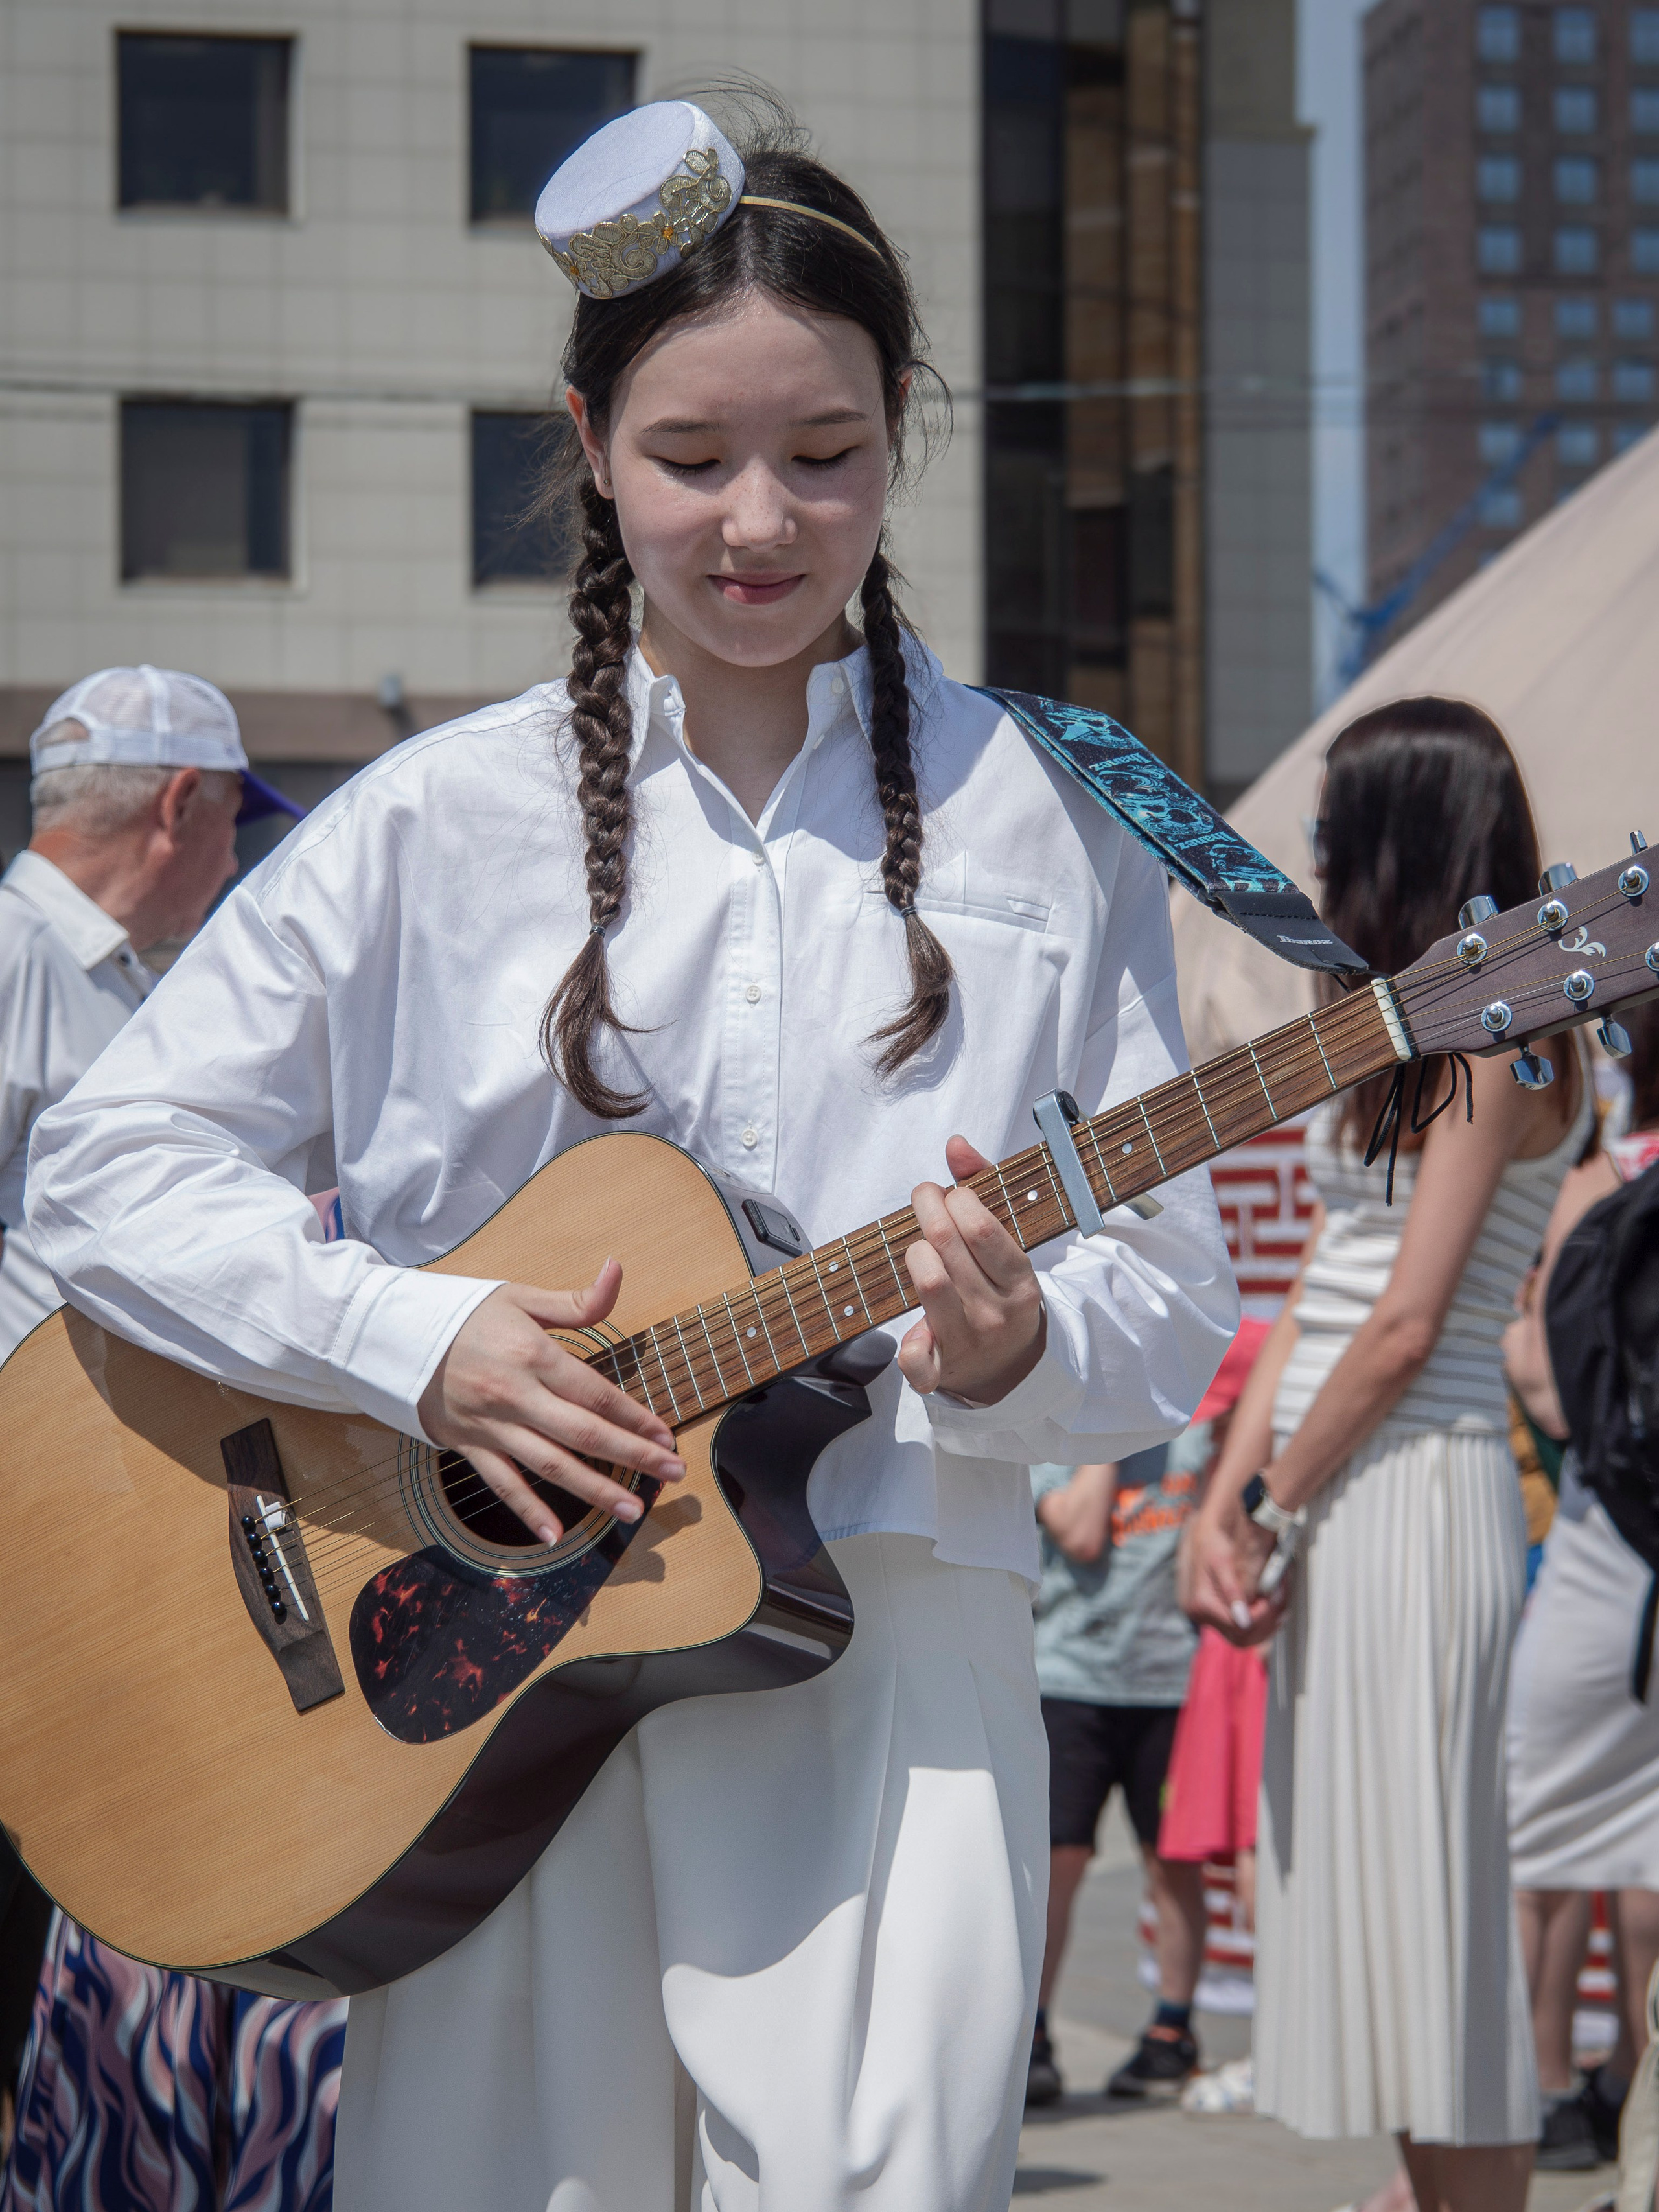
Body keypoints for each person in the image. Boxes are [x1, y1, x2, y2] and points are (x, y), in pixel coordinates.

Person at [24, 102, 1236, 2212]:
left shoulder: (1060, 809)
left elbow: (1178, 1301)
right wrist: (418, 1343)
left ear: (903, 431)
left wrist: (1013, 1341)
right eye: (693, 457)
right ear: (591, 442)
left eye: (826, 453)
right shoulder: (434, 817)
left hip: (897, 1640)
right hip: (462, 1667)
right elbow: (108, 1176)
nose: (761, 519)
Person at [1184, 697, 1590, 2212]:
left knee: (1437, 1945)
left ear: (1397, 838)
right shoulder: (1406, 1031)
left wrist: (1263, 1506)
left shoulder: (1504, 1041)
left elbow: (1405, 1322)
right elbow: (1318, 1285)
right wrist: (1228, 1497)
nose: (1314, 854)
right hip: (1343, 1496)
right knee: (1394, 1927)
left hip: (1413, 1496)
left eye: (1336, 829)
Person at [0, 667, 347, 2209]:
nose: (237, 868)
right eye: (233, 826)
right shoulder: (19, 960)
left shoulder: (127, 984)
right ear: (180, 807)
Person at [1505, 999, 1659, 2173]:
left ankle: (1551, 2088)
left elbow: (1557, 1394)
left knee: (1545, 1827)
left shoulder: (1597, 1187)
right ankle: (1626, 2085)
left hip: (1611, 1546)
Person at [1025, 1438, 1206, 2108]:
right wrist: (1106, 1434)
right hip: (1071, 1678)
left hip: (1170, 1682)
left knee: (1172, 1859)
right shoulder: (1058, 1444)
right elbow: (1077, 1533)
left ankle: (1173, 2028)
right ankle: (1033, 2034)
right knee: (1057, 1856)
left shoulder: (1194, 1441)